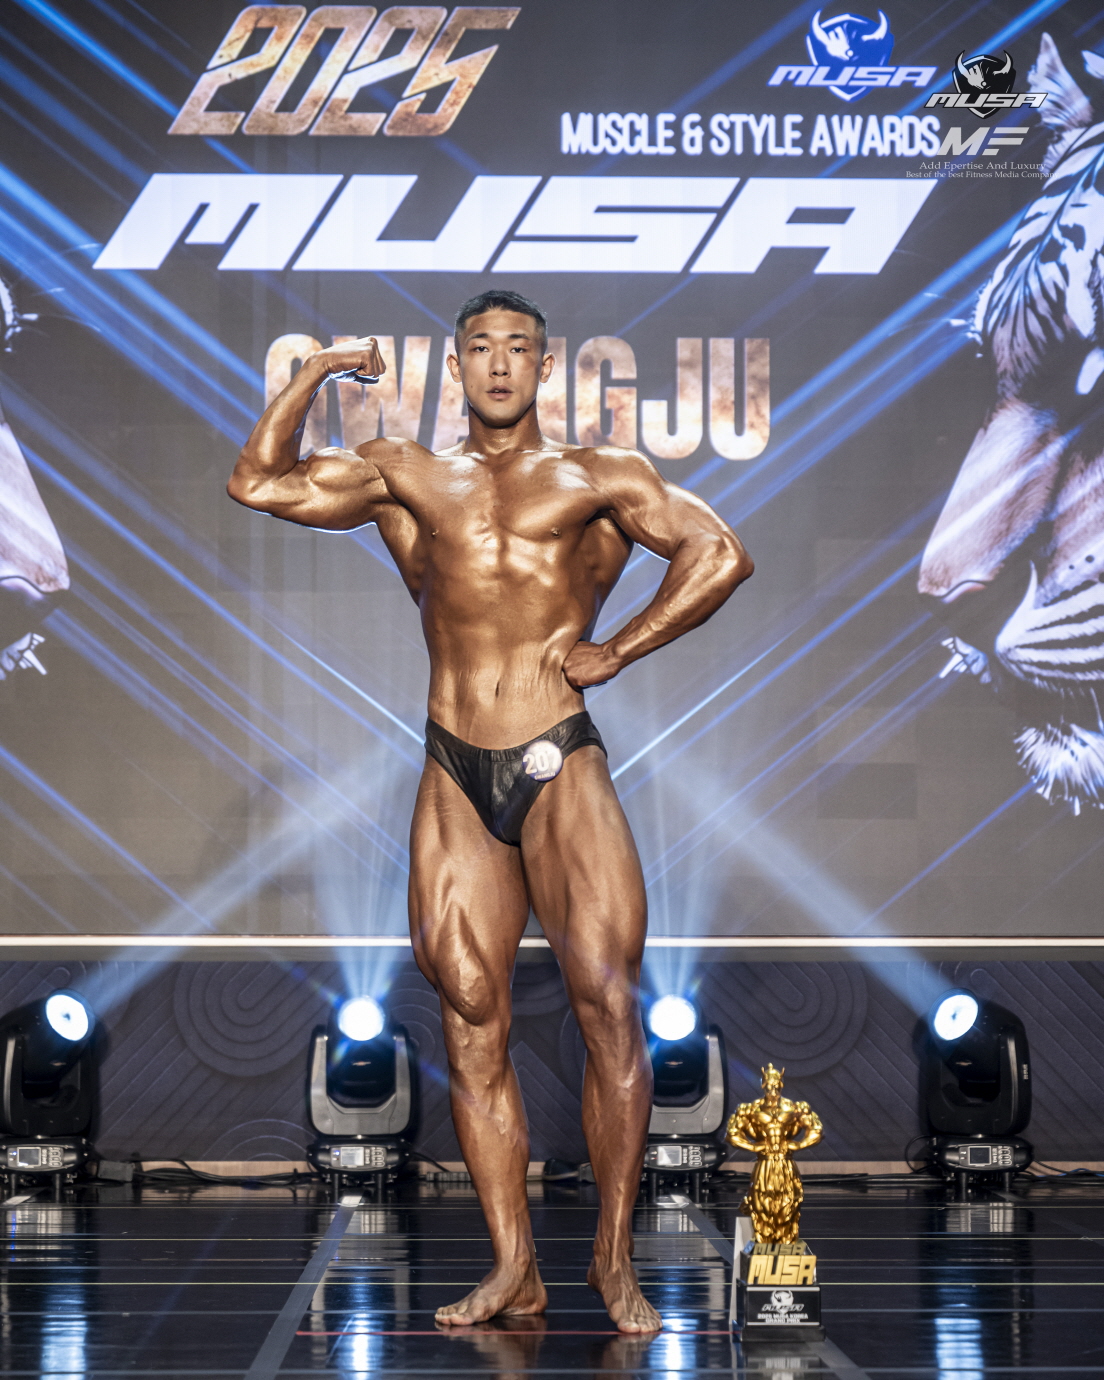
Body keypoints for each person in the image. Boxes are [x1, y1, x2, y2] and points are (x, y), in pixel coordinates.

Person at [228, 289, 753, 1333]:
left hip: (560, 757)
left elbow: (720, 553)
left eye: (519, 348)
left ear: (546, 367)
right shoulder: (406, 475)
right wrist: (319, 368)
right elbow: (257, 481)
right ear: (456, 366)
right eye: (481, 348)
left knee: (607, 1003)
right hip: (453, 761)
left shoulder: (599, 477)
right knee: (470, 1017)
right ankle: (515, 1266)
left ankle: (613, 1262)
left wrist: (620, 648)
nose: (500, 364)